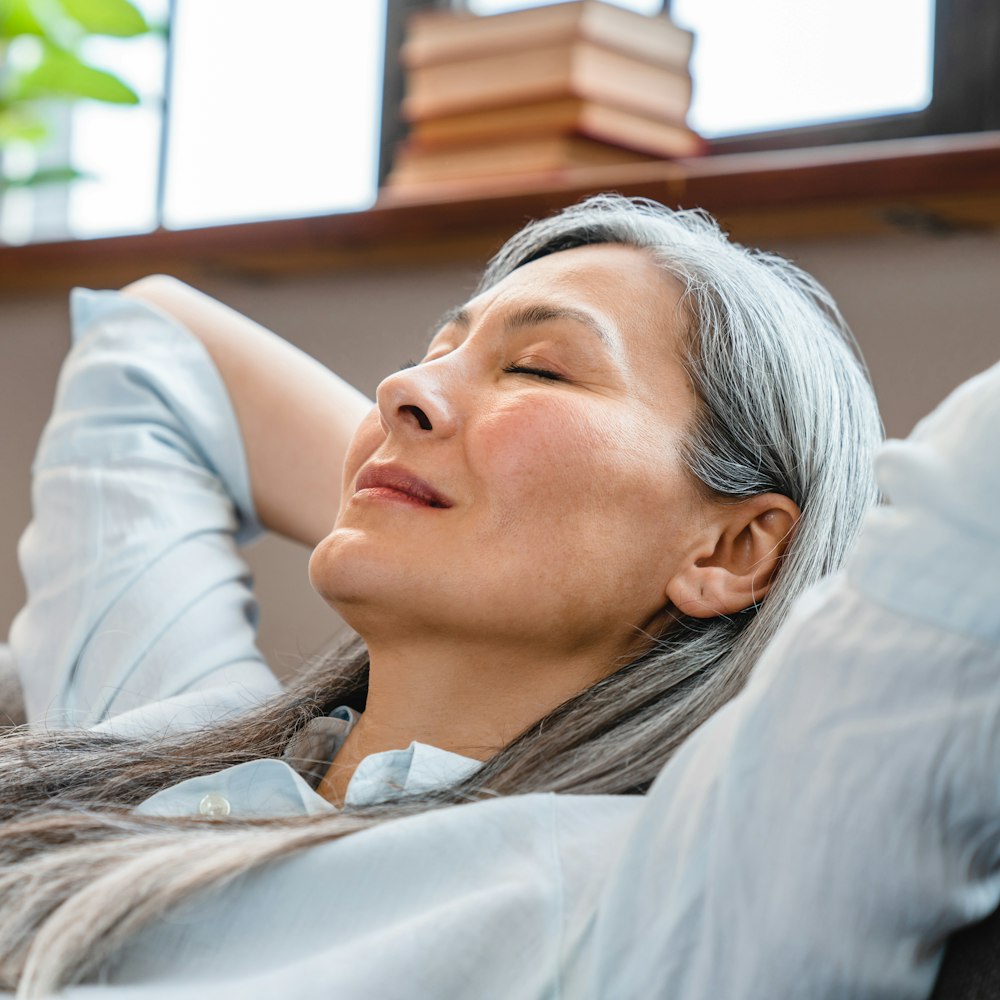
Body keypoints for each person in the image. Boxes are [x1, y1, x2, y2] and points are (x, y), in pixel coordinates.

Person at [2, 192, 948, 998]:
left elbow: (963, 551)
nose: (400, 386)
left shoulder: (666, 889)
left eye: (538, 367)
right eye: (433, 352)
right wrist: (429, 482)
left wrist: (461, 488)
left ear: (737, 545)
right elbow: (153, 340)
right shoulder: (169, 723)